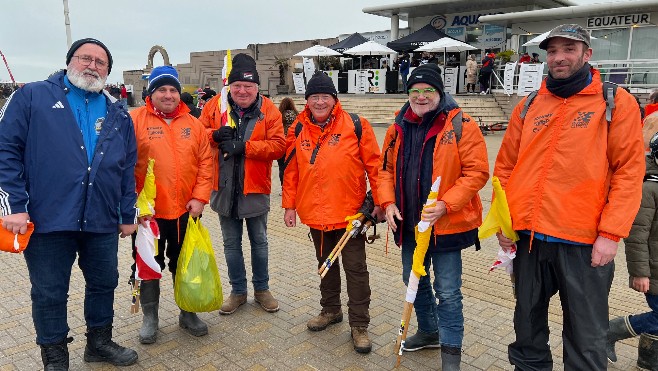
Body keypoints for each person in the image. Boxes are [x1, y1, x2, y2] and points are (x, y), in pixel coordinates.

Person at [494, 24, 644, 370]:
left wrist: (611, 234)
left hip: (583, 241)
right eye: (552, 51)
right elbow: (504, 169)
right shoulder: (530, 103)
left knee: (585, 336)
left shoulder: (614, 101)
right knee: (527, 329)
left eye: (568, 49)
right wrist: (504, 224)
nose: (559, 57)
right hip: (530, 239)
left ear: (587, 54)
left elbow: (628, 172)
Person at [0, 38, 139, 369]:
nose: (92, 66)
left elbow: (127, 167)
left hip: (102, 218)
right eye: (85, 58)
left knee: (104, 282)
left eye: (100, 62)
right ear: (69, 61)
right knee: (49, 292)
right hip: (47, 218)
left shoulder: (118, 112)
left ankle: (99, 343)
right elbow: (5, 151)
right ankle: (55, 357)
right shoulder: (31, 97)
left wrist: (126, 212)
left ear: (108, 70)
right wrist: (13, 206)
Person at [379, 63, 489, 370]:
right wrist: (387, 203)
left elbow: (477, 172)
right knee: (413, 279)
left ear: (439, 92)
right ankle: (428, 330)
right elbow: (384, 170)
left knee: (449, 292)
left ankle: (451, 358)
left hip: (446, 225)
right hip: (409, 223)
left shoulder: (461, 124)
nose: (421, 96)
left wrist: (447, 204)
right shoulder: (397, 126)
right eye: (414, 91)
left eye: (428, 90)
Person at [282, 72, 384, 354]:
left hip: (352, 214)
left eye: (324, 96)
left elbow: (376, 167)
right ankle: (330, 310)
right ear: (307, 100)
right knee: (325, 263)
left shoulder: (355, 125)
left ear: (334, 99)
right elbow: (291, 172)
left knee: (356, 269)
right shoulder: (299, 129)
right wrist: (289, 205)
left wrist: (380, 202)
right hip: (316, 213)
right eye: (313, 96)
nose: (319, 101)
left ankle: (359, 324)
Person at [130, 65, 213, 343]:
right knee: (148, 266)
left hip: (185, 211)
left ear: (180, 94)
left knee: (184, 264)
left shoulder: (194, 124)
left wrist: (200, 198)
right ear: (151, 94)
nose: (168, 95)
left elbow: (205, 163)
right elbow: (123, 165)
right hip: (149, 215)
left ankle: (187, 311)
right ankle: (150, 316)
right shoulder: (135, 121)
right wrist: (134, 204)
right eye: (161, 90)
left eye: (173, 90)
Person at [199, 53, 286, 315]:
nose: (242, 90)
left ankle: (262, 289)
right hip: (224, 188)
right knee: (230, 244)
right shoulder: (215, 106)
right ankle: (238, 291)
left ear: (257, 87)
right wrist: (213, 135)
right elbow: (195, 136)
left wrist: (245, 147)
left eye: (248, 86)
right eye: (237, 85)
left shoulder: (269, 110)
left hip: (255, 188)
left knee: (259, 242)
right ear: (229, 86)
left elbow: (279, 146)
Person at [606, 131, 658, 370]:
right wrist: (640, 273)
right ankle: (610, 331)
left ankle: (648, 360)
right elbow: (637, 236)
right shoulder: (649, 189)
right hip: (654, 271)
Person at [276, 97, 298, 186]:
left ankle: (283, 186)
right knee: (292, 167)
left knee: (282, 167)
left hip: (282, 143)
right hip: (293, 143)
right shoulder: (296, 114)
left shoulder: (279, 115)